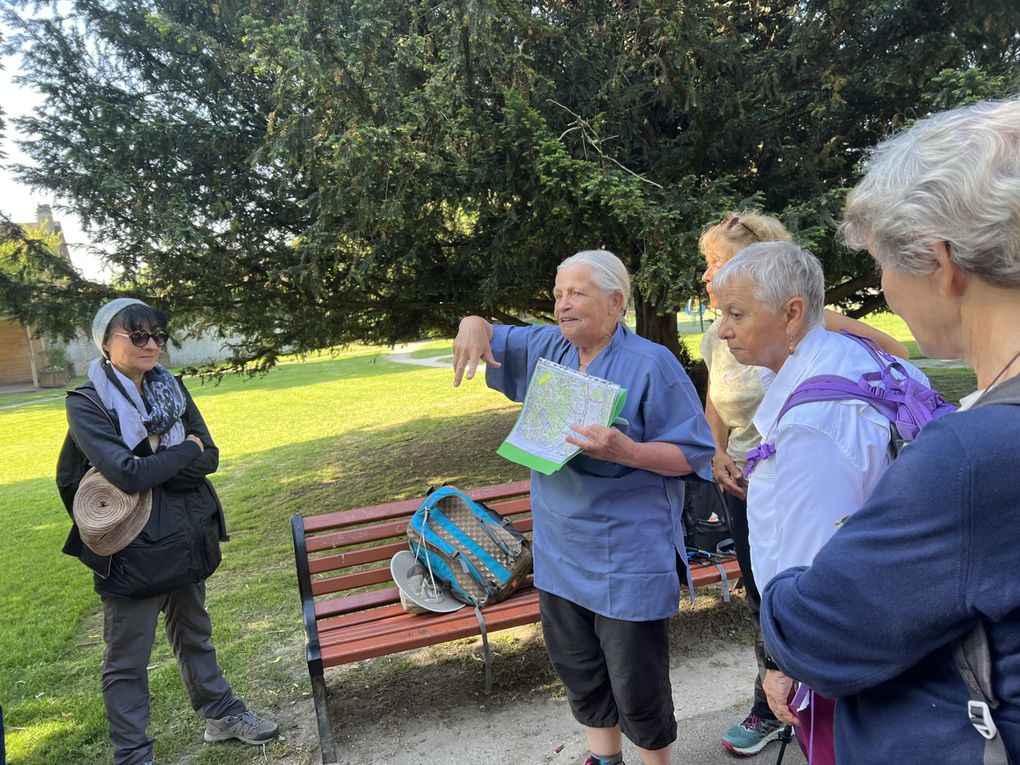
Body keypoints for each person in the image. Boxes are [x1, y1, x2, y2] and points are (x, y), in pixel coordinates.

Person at [759, 98, 1020, 762]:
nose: (884, 286)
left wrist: (800, 570)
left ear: (942, 261)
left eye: (883, 262)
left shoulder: (972, 455)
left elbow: (815, 631)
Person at [453, 250, 715, 765]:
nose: (561, 305)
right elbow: (486, 331)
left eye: (576, 294)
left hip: (626, 557)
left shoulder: (651, 364)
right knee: (581, 670)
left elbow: (693, 454)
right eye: (557, 295)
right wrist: (472, 322)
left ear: (616, 302)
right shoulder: (547, 347)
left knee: (636, 682)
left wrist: (629, 452)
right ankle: (604, 758)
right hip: (560, 552)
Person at [698, 212, 908, 757]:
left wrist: (782, 665)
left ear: (792, 315)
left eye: (736, 314)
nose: (722, 330)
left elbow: (816, 570)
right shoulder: (839, 361)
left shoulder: (810, 425)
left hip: (838, 657)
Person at [57, 298, 278, 765]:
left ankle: (221, 714)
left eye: (157, 334)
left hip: (185, 530)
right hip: (129, 545)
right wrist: (183, 454)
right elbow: (126, 475)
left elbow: (210, 456)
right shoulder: (87, 402)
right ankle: (133, 755)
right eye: (137, 335)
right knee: (127, 659)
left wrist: (159, 463)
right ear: (106, 342)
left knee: (196, 633)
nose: (151, 343)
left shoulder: (173, 389)